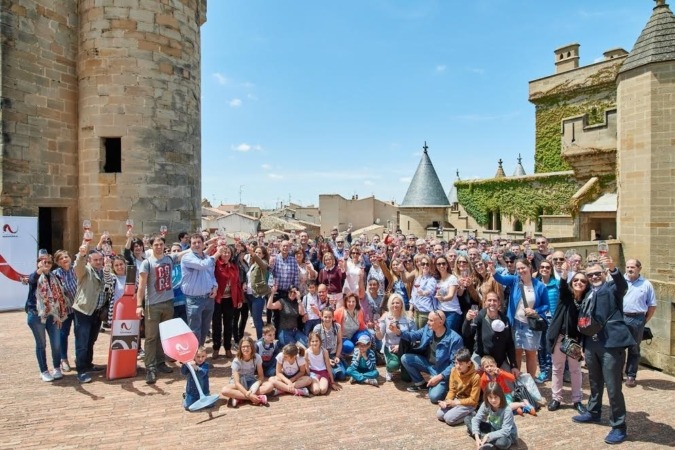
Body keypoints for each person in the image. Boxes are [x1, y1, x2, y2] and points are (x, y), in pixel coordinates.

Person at [572, 257, 635, 445]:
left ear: (604, 274)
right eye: (590, 275)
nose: (594, 277)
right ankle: (593, 411)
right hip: (592, 343)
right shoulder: (589, 292)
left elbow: (622, 286)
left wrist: (613, 269)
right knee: (594, 381)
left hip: (611, 344)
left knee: (613, 387)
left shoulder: (611, 288)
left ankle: (619, 426)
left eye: (598, 273)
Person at [137, 235, 184, 384]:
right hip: (153, 305)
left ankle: (160, 362)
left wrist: (210, 243)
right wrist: (139, 305)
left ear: (164, 245)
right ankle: (150, 367)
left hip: (168, 303)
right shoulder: (147, 263)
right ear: (151, 246)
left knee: (163, 336)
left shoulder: (169, 259)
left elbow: (186, 251)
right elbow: (142, 285)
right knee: (151, 337)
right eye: (156, 244)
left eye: (161, 244)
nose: (159, 246)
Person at [491, 258, 549, 378]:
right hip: (515, 323)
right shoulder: (514, 281)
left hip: (531, 324)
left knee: (531, 354)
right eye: (518, 269)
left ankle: (530, 381)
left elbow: (546, 305)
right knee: (516, 352)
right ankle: (516, 381)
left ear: (529, 268)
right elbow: (500, 279)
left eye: (523, 267)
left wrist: (535, 311)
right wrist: (493, 271)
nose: (521, 270)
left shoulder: (539, 286)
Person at [400, 310, 464, 404]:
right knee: (405, 358)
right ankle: (420, 383)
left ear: (440, 322)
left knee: (434, 397)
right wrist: (398, 332)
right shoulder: (428, 329)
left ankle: (442, 385)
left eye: (431, 320)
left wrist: (439, 377)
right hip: (428, 364)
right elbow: (413, 336)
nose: (427, 322)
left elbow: (455, 364)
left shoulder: (455, 339)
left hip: (442, 372)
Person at [546, 268, 586, 414]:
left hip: (575, 341)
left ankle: (577, 400)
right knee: (557, 369)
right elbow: (562, 286)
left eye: (582, 281)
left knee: (576, 370)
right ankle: (556, 398)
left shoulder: (586, 300)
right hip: (560, 338)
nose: (579, 283)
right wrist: (564, 274)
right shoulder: (565, 296)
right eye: (576, 280)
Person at [26, 256, 68, 382]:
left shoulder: (55, 277)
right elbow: (32, 280)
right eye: (43, 262)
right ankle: (44, 370)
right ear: (38, 263)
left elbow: (59, 298)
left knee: (56, 343)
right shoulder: (35, 277)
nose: (47, 264)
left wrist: (59, 315)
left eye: (49, 262)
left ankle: (56, 368)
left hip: (53, 315)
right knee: (41, 344)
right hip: (37, 314)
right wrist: (40, 270)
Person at [72, 244, 106, 383]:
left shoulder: (105, 272)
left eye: (100, 260)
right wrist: (81, 255)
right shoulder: (85, 271)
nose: (98, 262)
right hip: (84, 311)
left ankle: (88, 364)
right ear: (90, 261)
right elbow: (77, 267)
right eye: (95, 260)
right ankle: (81, 370)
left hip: (97, 313)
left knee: (91, 340)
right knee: (82, 342)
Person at [462, 291, 518, 374]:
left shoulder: (504, 319)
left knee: (510, 383)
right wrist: (467, 320)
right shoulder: (479, 317)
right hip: (481, 358)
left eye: (495, 300)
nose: (492, 303)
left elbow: (510, 343)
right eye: (489, 300)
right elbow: (466, 333)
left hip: (499, 360)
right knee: (474, 377)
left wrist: (513, 365)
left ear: (499, 303)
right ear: (484, 302)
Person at [622, 259, 657, 388]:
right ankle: (617, 374)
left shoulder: (646, 284)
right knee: (617, 348)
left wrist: (643, 321)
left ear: (639, 268)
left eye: (633, 267)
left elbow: (652, 306)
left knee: (634, 348)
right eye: (628, 267)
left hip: (637, 319)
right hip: (620, 318)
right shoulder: (619, 281)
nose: (630, 269)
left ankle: (631, 375)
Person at [181, 234, 218, 346]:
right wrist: (217, 253)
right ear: (190, 245)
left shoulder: (206, 258)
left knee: (205, 328)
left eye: (199, 242)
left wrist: (215, 287)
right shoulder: (187, 257)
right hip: (194, 300)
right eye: (194, 243)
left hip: (208, 298)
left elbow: (211, 275)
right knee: (194, 330)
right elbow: (202, 265)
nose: (197, 245)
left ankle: (200, 351)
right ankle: (194, 354)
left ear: (203, 244)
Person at [465, 382, 518, 450]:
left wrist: (489, 435)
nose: (493, 400)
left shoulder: (507, 410)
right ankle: (484, 439)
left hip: (506, 436)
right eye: (490, 397)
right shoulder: (485, 404)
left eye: (495, 397)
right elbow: (476, 419)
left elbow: (506, 431)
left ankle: (485, 439)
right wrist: (477, 437)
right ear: (486, 397)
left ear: (500, 396)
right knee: (468, 419)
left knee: (502, 443)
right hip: (492, 428)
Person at [375, 293, 415, 382]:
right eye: (393, 303)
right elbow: (380, 337)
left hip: (405, 349)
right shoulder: (386, 317)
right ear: (389, 304)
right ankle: (390, 368)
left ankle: (403, 366)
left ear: (402, 304)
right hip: (391, 348)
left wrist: (400, 346)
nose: (395, 305)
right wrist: (377, 330)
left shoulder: (408, 317)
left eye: (397, 303)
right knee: (393, 365)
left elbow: (413, 336)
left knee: (407, 379)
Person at [436, 348, 481, 426]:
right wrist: (447, 401)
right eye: (456, 363)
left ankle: (472, 414)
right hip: (457, 400)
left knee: (449, 419)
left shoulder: (475, 377)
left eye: (460, 364)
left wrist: (456, 403)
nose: (457, 366)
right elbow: (452, 390)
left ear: (468, 363)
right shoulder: (454, 371)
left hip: (469, 404)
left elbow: (473, 400)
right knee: (439, 415)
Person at [212, 243, 242, 359]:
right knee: (216, 324)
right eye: (224, 252)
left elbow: (237, 284)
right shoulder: (215, 265)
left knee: (229, 324)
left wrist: (239, 299)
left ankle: (228, 348)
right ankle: (215, 348)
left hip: (230, 299)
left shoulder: (233, 266)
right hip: (218, 299)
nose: (226, 254)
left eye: (228, 252)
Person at [220, 336, 269, 407]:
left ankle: (239, 398)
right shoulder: (236, 361)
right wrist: (249, 395)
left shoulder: (257, 357)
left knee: (269, 386)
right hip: (239, 383)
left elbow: (261, 376)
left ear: (252, 347)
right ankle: (256, 398)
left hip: (251, 381)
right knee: (224, 390)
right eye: (243, 347)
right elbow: (236, 383)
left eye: (248, 346)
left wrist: (257, 383)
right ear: (240, 348)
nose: (245, 349)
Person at [52, 250, 77, 373]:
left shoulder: (77, 269)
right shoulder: (55, 274)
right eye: (61, 258)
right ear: (57, 262)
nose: (64, 259)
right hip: (65, 310)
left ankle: (80, 358)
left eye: (66, 257)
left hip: (79, 308)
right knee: (63, 334)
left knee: (80, 333)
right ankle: (64, 359)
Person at [268, 240, 300, 335]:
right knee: (276, 315)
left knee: (288, 314)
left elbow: (295, 275)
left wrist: (295, 288)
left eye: (287, 246)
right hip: (277, 291)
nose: (285, 248)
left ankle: (286, 335)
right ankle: (276, 337)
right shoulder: (275, 258)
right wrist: (271, 287)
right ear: (280, 247)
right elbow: (270, 273)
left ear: (289, 248)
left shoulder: (293, 260)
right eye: (283, 246)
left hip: (288, 292)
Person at [313, 308, 346, 381]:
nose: (327, 319)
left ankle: (339, 364)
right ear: (321, 317)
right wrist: (327, 359)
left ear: (333, 317)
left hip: (333, 355)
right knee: (333, 376)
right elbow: (315, 346)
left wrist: (337, 356)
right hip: (322, 356)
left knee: (342, 376)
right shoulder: (317, 328)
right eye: (325, 317)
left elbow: (340, 342)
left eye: (330, 317)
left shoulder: (337, 327)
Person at [410, 254, 438, 329]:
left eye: (427, 264)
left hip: (426, 312)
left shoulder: (432, 279)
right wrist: (410, 310)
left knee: (423, 335)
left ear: (430, 266)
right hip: (416, 311)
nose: (425, 266)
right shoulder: (418, 278)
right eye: (423, 264)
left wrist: (423, 293)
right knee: (417, 334)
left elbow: (430, 290)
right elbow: (413, 294)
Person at [181, 346, 212, 411]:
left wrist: (195, 367)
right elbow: (183, 372)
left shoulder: (205, 365)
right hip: (192, 392)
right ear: (193, 356)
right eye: (198, 357)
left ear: (206, 356)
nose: (200, 359)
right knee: (188, 406)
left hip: (204, 391)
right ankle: (186, 396)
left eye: (203, 356)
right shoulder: (190, 364)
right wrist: (185, 363)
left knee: (210, 405)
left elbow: (202, 373)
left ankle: (204, 397)